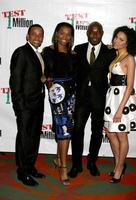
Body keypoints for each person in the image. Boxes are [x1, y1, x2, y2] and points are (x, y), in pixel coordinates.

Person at [68, 21, 116, 178]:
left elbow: (117, 72)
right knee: (77, 131)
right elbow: (70, 67)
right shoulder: (78, 49)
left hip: (99, 100)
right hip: (81, 99)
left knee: (96, 132)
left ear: (102, 33)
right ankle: (76, 165)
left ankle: (91, 162)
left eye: (98, 32)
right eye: (92, 31)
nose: (95, 34)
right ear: (87, 33)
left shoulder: (109, 52)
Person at [103, 26, 136, 183]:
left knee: (121, 135)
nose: (116, 40)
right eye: (116, 37)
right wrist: (111, 46)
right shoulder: (116, 56)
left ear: (128, 43)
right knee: (110, 133)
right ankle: (120, 163)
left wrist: (120, 110)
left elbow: (130, 86)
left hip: (122, 101)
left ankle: (118, 169)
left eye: (121, 39)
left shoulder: (129, 59)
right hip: (112, 97)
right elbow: (110, 47)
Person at [9, 24, 46, 186]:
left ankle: (30, 167)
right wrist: (19, 106)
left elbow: (36, 76)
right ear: (27, 36)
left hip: (38, 104)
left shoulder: (38, 54)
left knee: (34, 137)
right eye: (34, 34)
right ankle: (22, 172)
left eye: (40, 35)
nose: (37, 37)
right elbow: (15, 82)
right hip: (25, 106)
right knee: (24, 139)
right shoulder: (21, 52)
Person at [42, 22, 77, 185]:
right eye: (62, 33)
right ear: (56, 34)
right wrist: (49, 83)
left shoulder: (73, 54)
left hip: (71, 95)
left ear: (71, 37)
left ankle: (58, 159)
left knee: (66, 128)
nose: (65, 36)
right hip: (57, 93)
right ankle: (63, 167)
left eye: (68, 33)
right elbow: (45, 74)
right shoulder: (48, 52)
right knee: (64, 129)